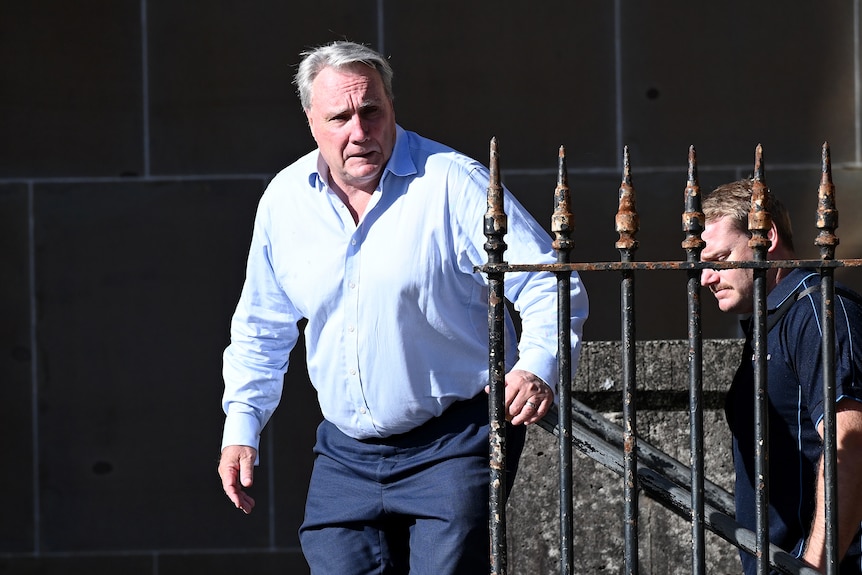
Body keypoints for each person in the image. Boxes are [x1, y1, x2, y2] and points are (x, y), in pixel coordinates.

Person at [217, 40, 589, 574]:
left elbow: (551, 283)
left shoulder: (453, 181)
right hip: (345, 453)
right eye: (340, 116)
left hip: (454, 442)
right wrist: (241, 428)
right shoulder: (285, 200)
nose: (359, 131)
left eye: (372, 111)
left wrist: (535, 366)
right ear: (311, 121)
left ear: (392, 106)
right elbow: (261, 328)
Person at [700, 179, 862, 573]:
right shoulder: (772, 319)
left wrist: (814, 566)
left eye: (719, 260)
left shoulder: (815, 313)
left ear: (766, 236)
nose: (706, 278)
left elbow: (850, 445)